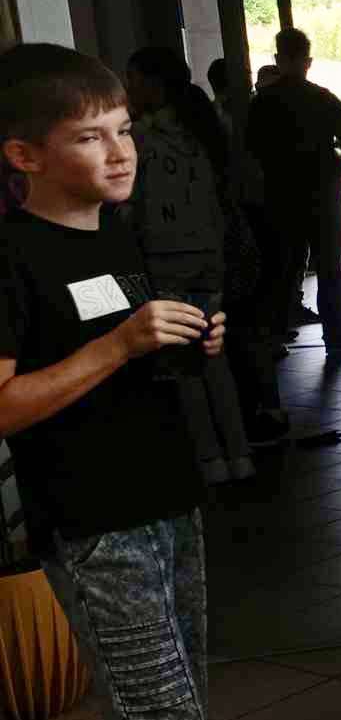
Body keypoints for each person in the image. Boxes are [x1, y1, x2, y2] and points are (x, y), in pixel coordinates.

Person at [0, 43, 297, 720]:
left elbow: (119, 364)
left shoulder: (114, 234)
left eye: (124, 129)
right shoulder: (11, 256)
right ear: (25, 156)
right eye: (91, 136)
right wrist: (122, 341)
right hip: (95, 528)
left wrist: (184, 341)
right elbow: (6, 403)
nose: (120, 151)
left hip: (165, 503)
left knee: (175, 714)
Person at [123, 47, 256, 484]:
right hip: (209, 257)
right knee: (213, 357)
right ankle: (240, 453)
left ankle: (209, 459)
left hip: (165, 260)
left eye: (133, 80)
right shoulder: (206, 127)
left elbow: (129, 204)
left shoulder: (141, 138)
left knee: (183, 364)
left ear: (153, 84)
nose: (128, 88)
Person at [245, 27, 341, 355]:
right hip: (322, 197)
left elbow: (250, 151)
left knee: (280, 269)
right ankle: (336, 337)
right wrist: (333, 170)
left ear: (278, 59)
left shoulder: (262, 103)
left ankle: (274, 336)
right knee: (330, 268)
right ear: (308, 61)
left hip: (280, 198)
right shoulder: (323, 98)